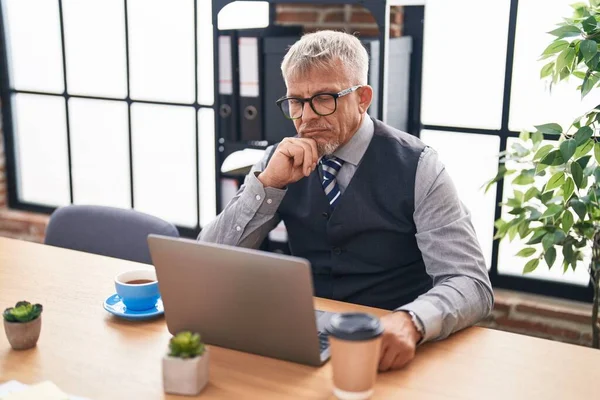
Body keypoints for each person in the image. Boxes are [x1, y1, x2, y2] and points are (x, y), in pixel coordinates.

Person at [199, 30, 493, 371]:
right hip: (307, 337)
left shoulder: (419, 166)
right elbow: (206, 260)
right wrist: (266, 185)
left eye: (325, 98)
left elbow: (471, 283)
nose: (306, 117)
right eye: (295, 101)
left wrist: (412, 321)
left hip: (391, 342)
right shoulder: (276, 161)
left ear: (363, 98)